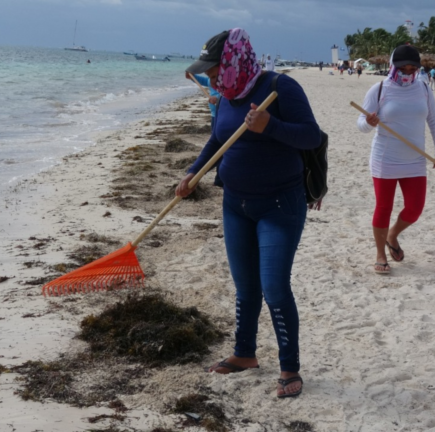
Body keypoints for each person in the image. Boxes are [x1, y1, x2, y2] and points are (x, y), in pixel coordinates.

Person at [177, 28, 321, 398]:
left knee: (273, 287)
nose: (210, 75)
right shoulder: (226, 95)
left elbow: (311, 136)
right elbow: (218, 139)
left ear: (233, 61)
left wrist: (269, 125)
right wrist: (195, 171)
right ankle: (244, 354)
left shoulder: (280, 88)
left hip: (279, 205)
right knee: (245, 288)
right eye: (207, 70)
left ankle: (290, 368)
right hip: (235, 205)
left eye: (213, 68)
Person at [356, 44, 435, 275]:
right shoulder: (379, 89)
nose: (407, 73)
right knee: (384, 207)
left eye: (412, 69)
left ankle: (392, 235)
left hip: (415, 160)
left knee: (415, 208)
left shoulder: (424, 89)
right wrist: (369, 122)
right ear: (393, 66)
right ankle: (380, 253)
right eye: (403, 68)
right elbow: (360, 124)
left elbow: (434, 121)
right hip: (385, 159)